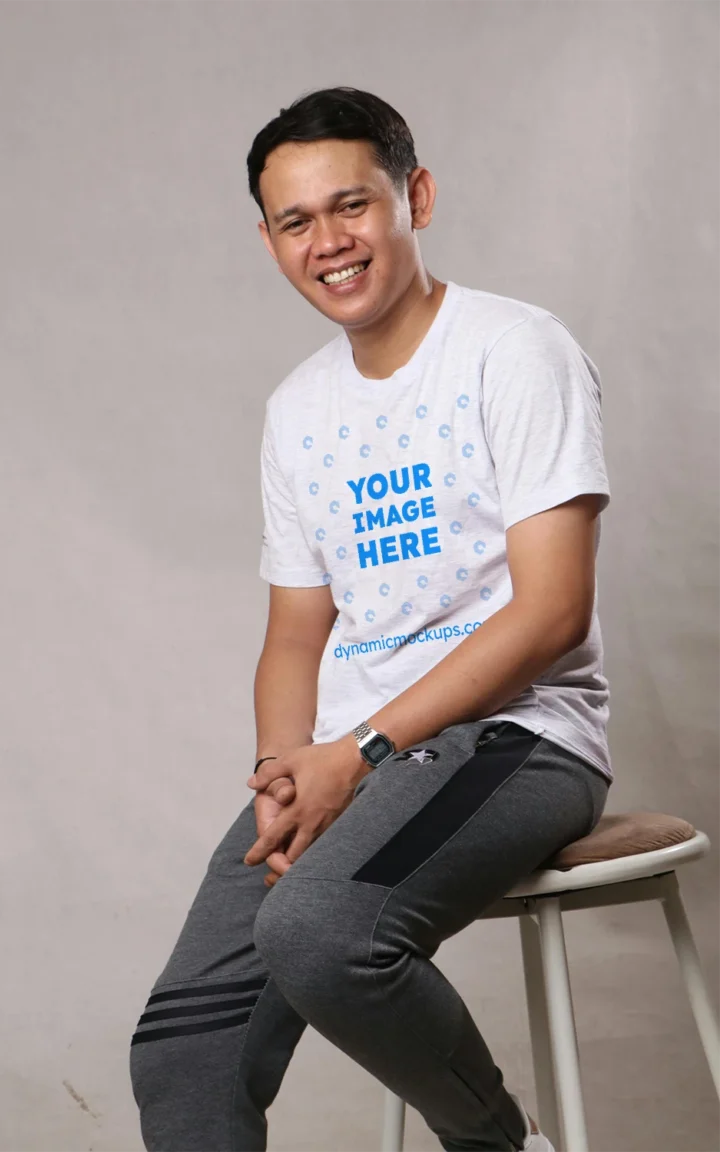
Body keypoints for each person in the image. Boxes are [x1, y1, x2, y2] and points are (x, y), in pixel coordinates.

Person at [129, 86, 612, 1152]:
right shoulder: (299, 408)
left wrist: (360, 748)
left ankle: (500, 1142)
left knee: (320, 935)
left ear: (416, 196)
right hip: (355, 757)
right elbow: (296, 633)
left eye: (351, 206)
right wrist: (283, 770)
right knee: (184, 1048)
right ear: (268, 240)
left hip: (517, 743)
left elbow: (552, 612)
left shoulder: (512, 351)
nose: (329, 243)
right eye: (296, 221)